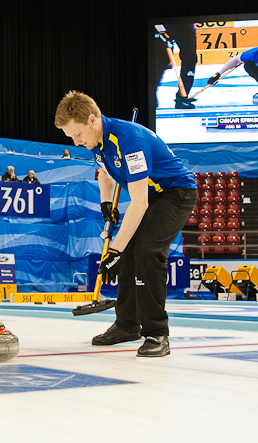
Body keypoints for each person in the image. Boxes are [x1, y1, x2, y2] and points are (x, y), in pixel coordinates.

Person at [55, 91, 198, 357]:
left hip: (175, 193)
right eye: (71, 137)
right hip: (152, 196)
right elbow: (106, 173)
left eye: (77, 135)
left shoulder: (130, 140)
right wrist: (106, 204)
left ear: (92, 119)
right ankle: (127, 325)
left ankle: (157, 332)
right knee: (131, 255)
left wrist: (115, 250)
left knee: (147, 250)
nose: (76, 142)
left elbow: (139, 202)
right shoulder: (96, 142)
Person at [153, 23, 198, 109]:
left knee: (190, 57)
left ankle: (183, 97)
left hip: (185, 24)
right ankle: (151, 95)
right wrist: (160, 30)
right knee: (162, 60)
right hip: (163, 24)